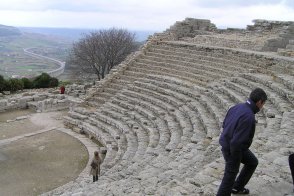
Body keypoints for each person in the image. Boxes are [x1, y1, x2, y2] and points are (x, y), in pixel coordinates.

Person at [217, 88, 267, 196]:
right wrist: (235, 159)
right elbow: (236, 143)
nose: (262, 107)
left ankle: (237, 187)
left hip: (229, 143)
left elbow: (224, 124)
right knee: (230, 175)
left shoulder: (236, 107)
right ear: (259, 102)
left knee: (252, 162)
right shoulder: (249, 116)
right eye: (263, 104)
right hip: (233, 149)